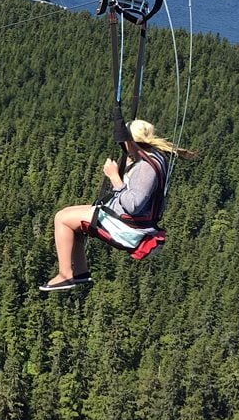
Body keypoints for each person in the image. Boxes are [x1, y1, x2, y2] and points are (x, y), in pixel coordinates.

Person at [39, 114, 192, 292]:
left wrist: (114, 178)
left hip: (127, 225)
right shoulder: (155, 157)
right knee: (70, 217)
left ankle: (65, 274)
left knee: (61, 218)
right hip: (132, 220)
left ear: (130, 141)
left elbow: (133, 204)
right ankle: (80, 272)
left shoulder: (146, 167)